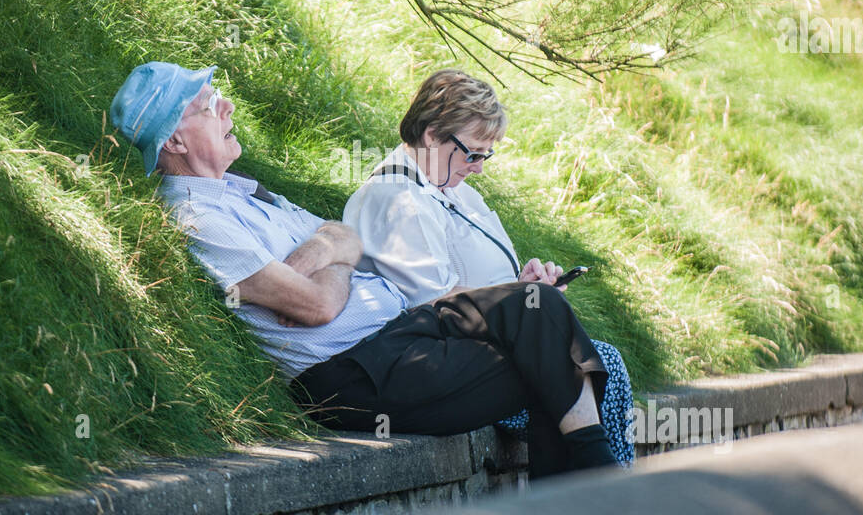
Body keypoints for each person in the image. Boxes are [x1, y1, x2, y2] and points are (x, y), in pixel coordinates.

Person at [109, 60, 618, 479]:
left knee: (542, 317)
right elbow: (318, 305)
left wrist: (320, 253)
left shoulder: (244, 193)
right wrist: (331, 260)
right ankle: (592, 489)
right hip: (352, 372)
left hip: (399, 335)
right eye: (206, 105)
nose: (227, 106)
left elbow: (343, 234)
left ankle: (578, 501)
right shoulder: (198, 218)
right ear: (174, 142)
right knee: (554, 355)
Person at [343, 69, 634, 466]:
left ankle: (598, 491)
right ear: (431, 135)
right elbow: (434, 312)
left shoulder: (457, 192)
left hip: (485, 343)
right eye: (473, 153)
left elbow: (477, 294)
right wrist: (520, 307)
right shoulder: (397, 199)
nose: (478, 166)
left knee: (596, 360)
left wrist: (523, 288)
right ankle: (605, 491)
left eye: (487, 155)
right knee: (594, 364)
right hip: (435, 364)